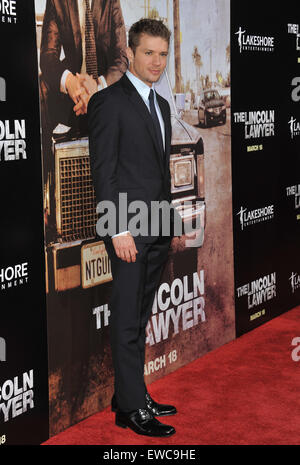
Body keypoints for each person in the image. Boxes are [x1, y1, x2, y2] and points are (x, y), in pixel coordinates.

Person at [87, 18, 177, 437]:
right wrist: (117, 228)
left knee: (140, 318)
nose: (156, 61)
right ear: (131, 52)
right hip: (128, 230)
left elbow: (158, 172)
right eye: (148, 53)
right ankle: (131, 409)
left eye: (162, 54)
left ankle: (132, 396)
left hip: (157, 227)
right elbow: (103, 174)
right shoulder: (109, 101)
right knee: (125, 319)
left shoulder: (161, 103)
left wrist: (168, 223)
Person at [39, 0, 127, 143]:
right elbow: (47, 55)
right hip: (73, 95)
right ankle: (48, 161)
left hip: (104, 89)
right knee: (41, 84)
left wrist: (97, 87)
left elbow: (121, 59)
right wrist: (69, 81)